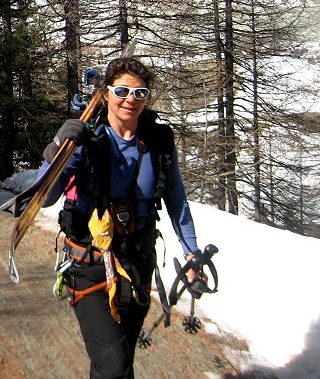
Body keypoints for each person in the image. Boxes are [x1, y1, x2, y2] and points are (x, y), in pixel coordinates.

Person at [39, 57, 206, 379]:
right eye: (122, 90)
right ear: (105, 94)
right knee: (114, 364)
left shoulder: (158, 141)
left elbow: (176, 199)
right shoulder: (85, 139)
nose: (131, 99)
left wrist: (192, 251)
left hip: (138, 260)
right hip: (90, 262)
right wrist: (59, 148)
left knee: (119, 359)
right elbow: (45, 197)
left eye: (140, 93)